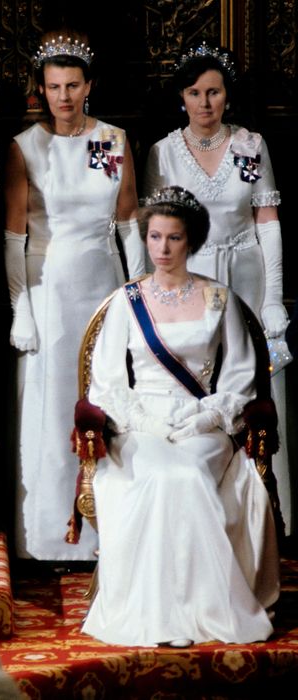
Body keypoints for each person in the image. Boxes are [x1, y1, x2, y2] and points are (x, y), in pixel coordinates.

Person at [81, 186, 279, 647]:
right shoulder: (126, 301)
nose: (162, 249)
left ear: (190, 241)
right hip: (140, 421)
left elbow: (242, 376)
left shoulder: (217, 299)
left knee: (187, 474)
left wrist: (209, 418)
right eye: (154, 237)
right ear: (145, 239)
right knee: (158, 475)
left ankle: (203, 609)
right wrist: (142, 422)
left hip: (200, 421)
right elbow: (107, 381)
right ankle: (158, 614)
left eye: (173, 238)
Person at [4, 31, 146, 560]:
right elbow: (14, 236)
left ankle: (110, 533)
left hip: (103, 282)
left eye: (73, 86)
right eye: (54, 86)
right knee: (54, 403)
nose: (64, 97)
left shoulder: (113, 140)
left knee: (107, 396)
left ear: (89, 86)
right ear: (41, 88)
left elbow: (129, 222)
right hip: (49, 290)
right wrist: (21, 307)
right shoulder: (25, 148)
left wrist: (140, 293)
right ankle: (48, 536)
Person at [144, 42, 293, 533]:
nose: (205, 103)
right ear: (181, 97)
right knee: (198, 389)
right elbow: (155, 233)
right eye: (195, 93)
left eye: (214, 92)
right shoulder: (163, 154)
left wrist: (272, 299)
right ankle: (196, 517)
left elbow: (267, 222)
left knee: (253, 391)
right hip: (192, 284)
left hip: (245, 276)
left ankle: (264, 516)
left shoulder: (250, 147)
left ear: (227, 95)